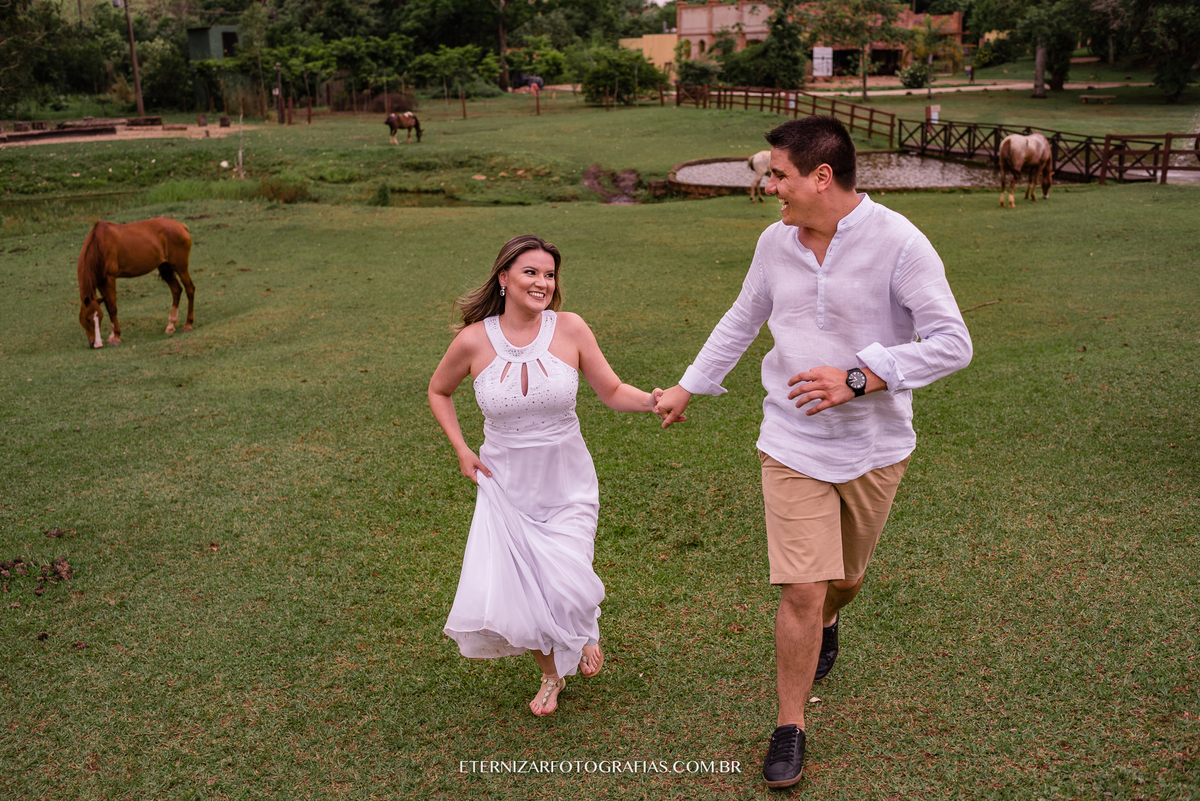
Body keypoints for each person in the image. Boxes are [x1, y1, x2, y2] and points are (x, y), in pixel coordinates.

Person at [654, 116, 972, 788]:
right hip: (790, 440)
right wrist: (689, 385)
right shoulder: (775, 243)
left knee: (843, 582)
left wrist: (859, 376)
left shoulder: (900, 242)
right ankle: (790, 724)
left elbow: (953, 343)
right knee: (801, 587)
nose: (770, 186)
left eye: (779, 175)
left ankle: (831, 617)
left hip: (876, 447)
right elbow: (742, 316)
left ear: (821, 177)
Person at [428, 234, 663, 716]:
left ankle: (582, 628)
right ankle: (552, 674)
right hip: (506, 485)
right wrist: (461, 449)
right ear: (504, 277)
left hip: (567, 480)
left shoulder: (570, 328)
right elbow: (438, 390)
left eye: (550, 274)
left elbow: (612, 390)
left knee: (568, 580)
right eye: (531, 272)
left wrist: (651, 401)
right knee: (526, 589)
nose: (542, 282)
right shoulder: (473, 340)